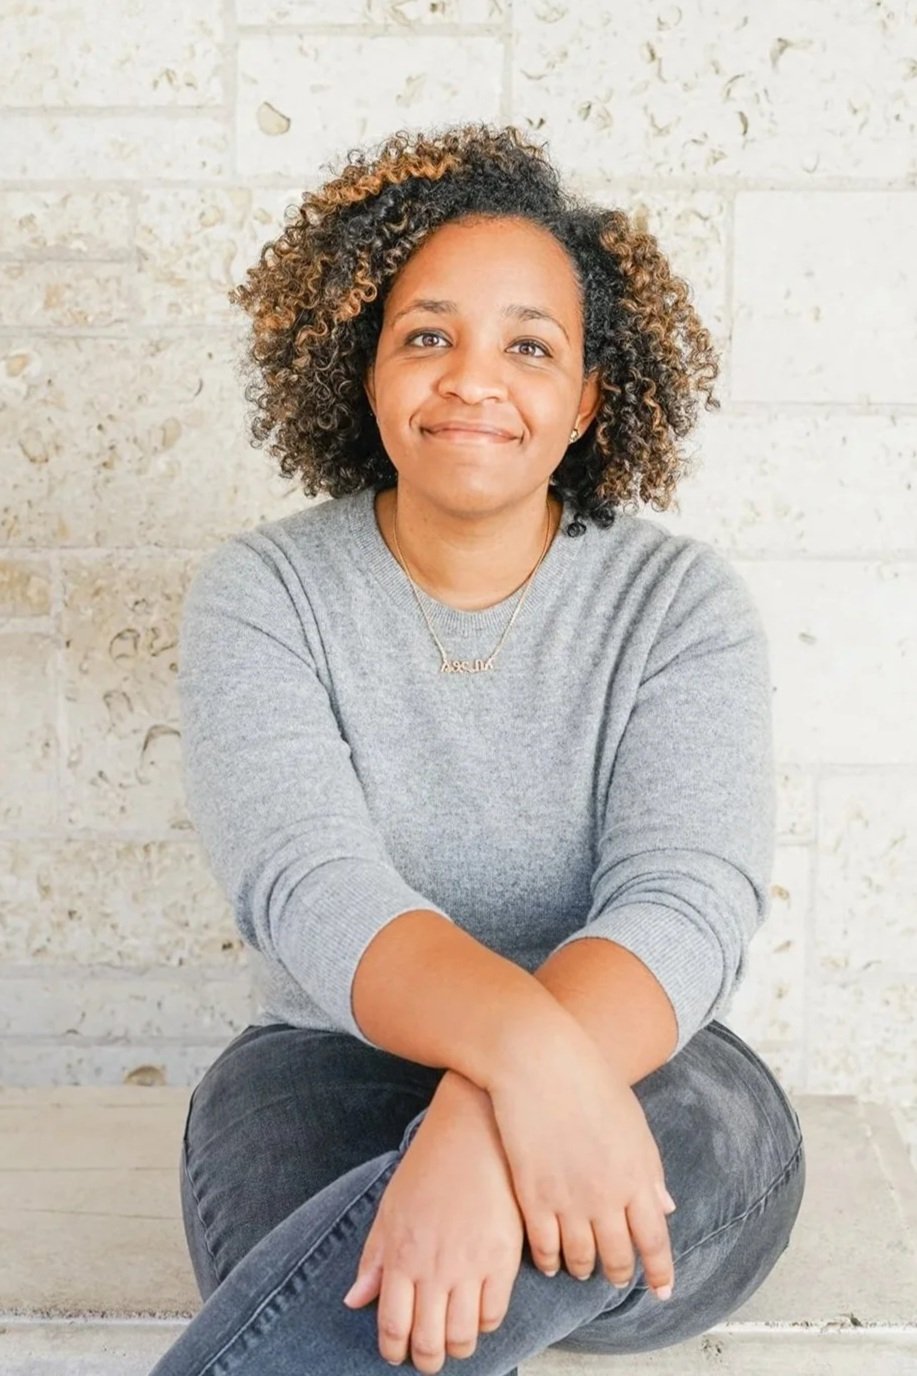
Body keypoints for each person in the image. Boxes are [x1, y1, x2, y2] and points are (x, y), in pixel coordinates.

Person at [150, 122, 805, 1376]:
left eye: (528, 345)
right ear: (366, 368)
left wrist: (477, 1118)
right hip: (328, 1065)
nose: (471, 379)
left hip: (643, 1067)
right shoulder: (264, 590)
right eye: (426, 335)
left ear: (587, 398)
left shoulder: (676, 604)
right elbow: (309, 884)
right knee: (358, 1262)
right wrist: (516, 1071)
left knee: (634, 1165)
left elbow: (688, 894)